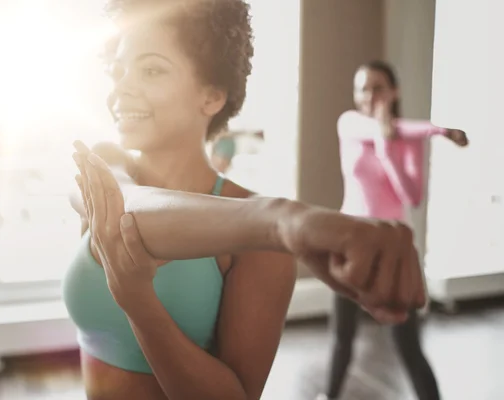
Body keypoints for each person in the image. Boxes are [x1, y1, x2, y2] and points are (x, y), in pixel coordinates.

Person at [63, 2, 427, 399]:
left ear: (212, 97)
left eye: (150, 69)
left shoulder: (263, 249)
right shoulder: (104, 162)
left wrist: (142, 307)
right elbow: (120, 206)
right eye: (117, 71)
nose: (122, 88)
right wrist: (280, 221)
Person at [316, 60, 469, 400]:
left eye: (378, 87)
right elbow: (389, 129)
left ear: (394, 91)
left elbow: (412, 197)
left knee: (408, 346)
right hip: (350, 243)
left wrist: (388, 149)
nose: (369, 96)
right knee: (342, 340)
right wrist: (439, 130)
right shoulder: (349, 123)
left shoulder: (407, 141)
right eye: (362, 88)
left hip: (393, 250)